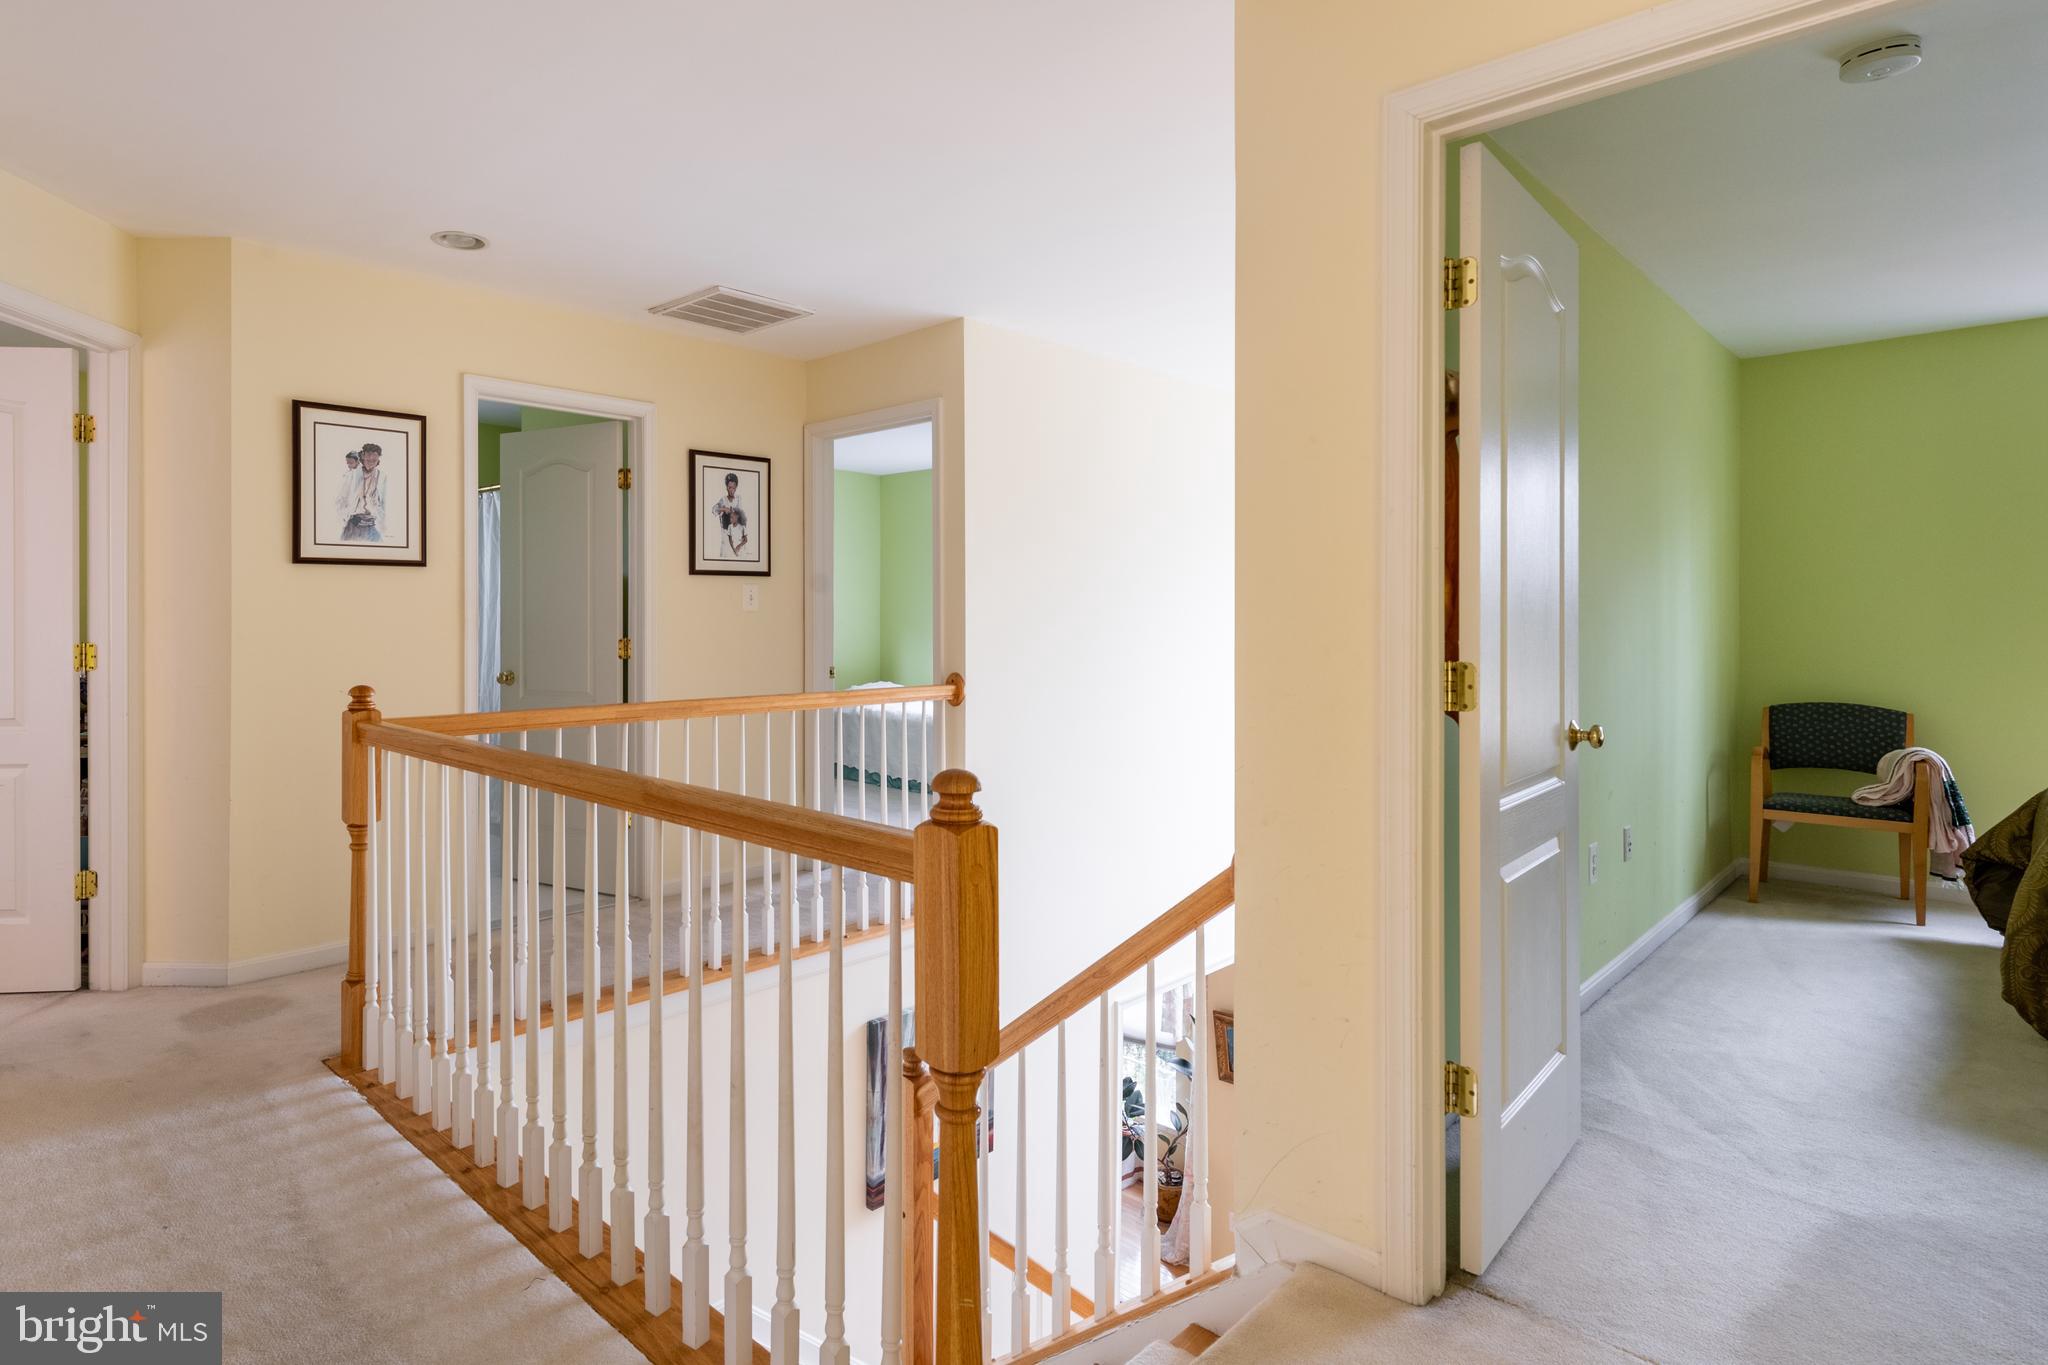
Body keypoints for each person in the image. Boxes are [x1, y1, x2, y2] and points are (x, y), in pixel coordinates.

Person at [339, 442, 388, 543]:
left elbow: (383, 503)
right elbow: (341, 500)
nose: (371, 463)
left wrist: (381, 521)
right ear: (362, 457)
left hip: (372, 524)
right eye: (368, 459)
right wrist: (346, 516)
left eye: (374, 460)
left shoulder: (382, 477)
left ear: (378, 460)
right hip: (353, 523)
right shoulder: (351, 476)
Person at [711, 470, 749, 558]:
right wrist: (723, 509)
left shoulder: (739, 499)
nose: (731, 490)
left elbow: (742, 516)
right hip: (725, 536)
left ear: (736, 487)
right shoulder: (723, 500)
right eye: (729, 487)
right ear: (726, 487)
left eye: (733, 487)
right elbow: (713, 510)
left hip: (737, 536)